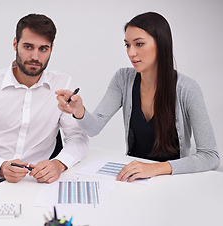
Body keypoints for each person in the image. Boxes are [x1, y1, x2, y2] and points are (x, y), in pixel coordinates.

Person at [56, 12, 220, 182]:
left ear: (161, 44)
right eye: (127, 45)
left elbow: (210, 156)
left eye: (139, 44)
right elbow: (93, 128)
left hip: (172, 181)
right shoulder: (123, 79)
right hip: (133, 179)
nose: (131, 53)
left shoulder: (187, 88)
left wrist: (156, 168)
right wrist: (79, 110)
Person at [0, 13, 89, 190]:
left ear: (51, 49)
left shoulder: (62, 84)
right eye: (28, 47)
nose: (35, 57)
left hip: (37, 180)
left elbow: (77, 137)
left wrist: (59, 164)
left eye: (43, 49)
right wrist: (0, 166)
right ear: (15, 44)